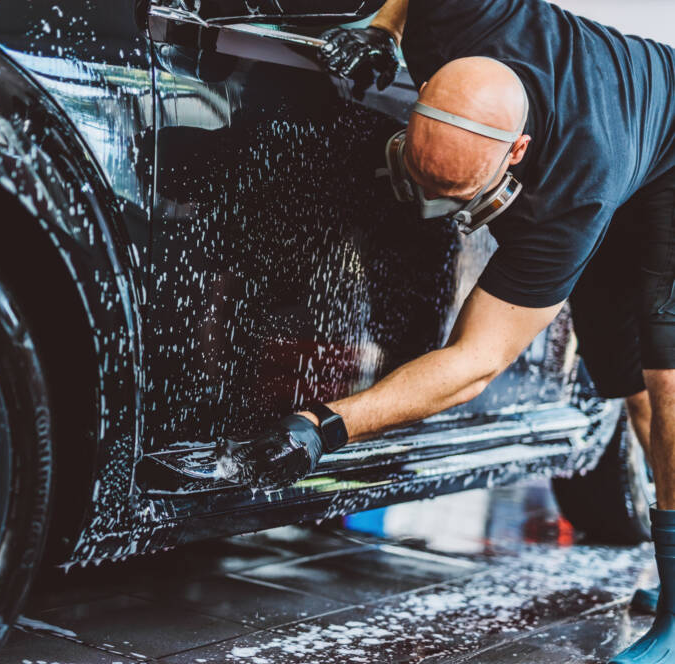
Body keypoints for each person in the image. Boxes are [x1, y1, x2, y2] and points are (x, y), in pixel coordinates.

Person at [215, 0, 675, 661]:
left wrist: (325, 425)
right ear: (428, 91)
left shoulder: (572, 191)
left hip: (663, 156)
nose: (436, 210)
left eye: (457, 199)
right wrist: (380, 28)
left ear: (516, 153)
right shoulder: (463, 16)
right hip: (618, 131)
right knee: (631, 390)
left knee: (667, 377)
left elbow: (476, 360)